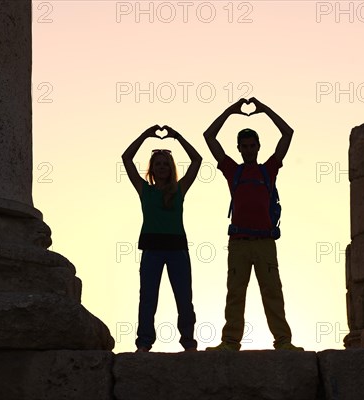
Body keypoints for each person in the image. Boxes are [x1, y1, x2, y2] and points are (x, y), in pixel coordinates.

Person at [203, 97, 303, 351]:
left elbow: (287, 133)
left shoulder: (268, 170)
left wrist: (265, 110)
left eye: (252, 145)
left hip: (265, 242)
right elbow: (209, 136)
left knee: (273, 293)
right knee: (235, 294)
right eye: (244, 146)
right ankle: (230, 341)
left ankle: (283, 341)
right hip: (238, 243)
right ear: (239, 149)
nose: (248, 150)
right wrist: (231, 112)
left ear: (258, 147)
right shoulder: (232, 170)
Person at [121, 124, 202, 352]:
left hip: (177, 249)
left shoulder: (180, 188)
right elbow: (126, 158)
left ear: (171, 168)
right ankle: (144, 343)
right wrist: (145, 135)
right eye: (158, 164)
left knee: (184, 299)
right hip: (152, 249)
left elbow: (197, 160)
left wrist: (178, 137)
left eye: (166, 164)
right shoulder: (144, 189)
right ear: (152, 169)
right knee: (147, 299)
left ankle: (188, 343)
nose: (162, 167)